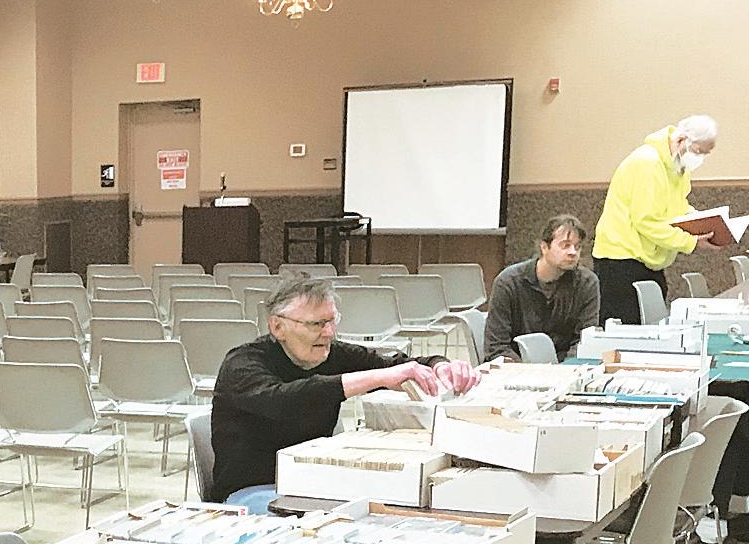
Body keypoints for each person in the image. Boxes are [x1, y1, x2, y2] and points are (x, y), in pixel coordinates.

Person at [208, 277, 480, 506]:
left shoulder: (330, 353)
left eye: (332, 321)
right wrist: (376, 378)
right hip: (254, 491)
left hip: (314, 481)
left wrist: (440, 366)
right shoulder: (242, 364)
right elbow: (286, 400)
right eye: (316, 324)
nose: (328, 333)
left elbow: (393, 365)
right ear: (277, 327)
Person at [593, 115, 720, 325]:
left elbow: (677, 207)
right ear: (681, 140)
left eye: (706, 154)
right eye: (699, 151)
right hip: (621, 259)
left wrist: (701, 222)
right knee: (628, 331)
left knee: (653, 327)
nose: (700, 159)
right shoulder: (648, 163)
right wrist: (690, 241)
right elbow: (646, 221)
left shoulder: (678, 166)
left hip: (648, 258)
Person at [484, 214, 601, 361]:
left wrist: (563, 369)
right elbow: (496, 346)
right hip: (517, 366)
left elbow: (584, 342)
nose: (573, 252)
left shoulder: (587, 283)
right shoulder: (508, 282)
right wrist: (529, 370)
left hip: (565, 368)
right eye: (565, 245)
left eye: (577, 247)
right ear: (544, 247)